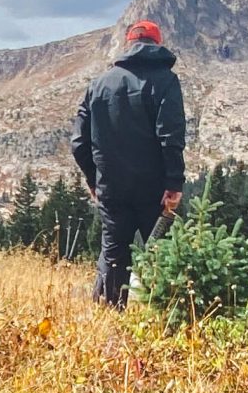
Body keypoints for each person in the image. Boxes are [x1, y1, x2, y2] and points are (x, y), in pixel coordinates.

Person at [71, 17, 186, 305]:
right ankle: (161, 319)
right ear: (156, 44)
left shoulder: (99, 85)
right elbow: (170, 136)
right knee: (161, 256)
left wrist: (93, 179)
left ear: (128, 45)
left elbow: (79, 143)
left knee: (113, 254)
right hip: (155, 189)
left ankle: (108, 320)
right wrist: (173, 182)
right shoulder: (166, 82)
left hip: (112, 187)